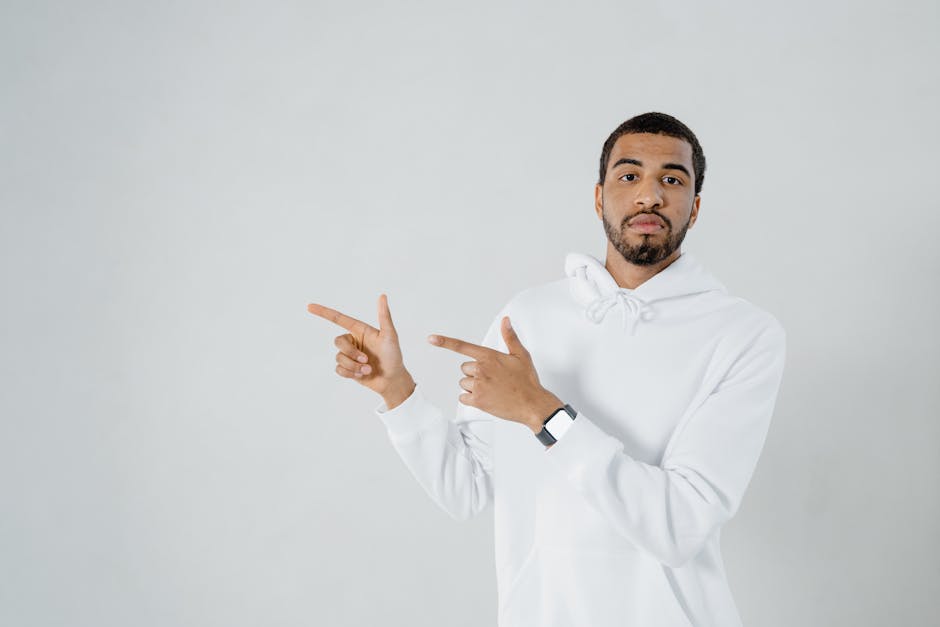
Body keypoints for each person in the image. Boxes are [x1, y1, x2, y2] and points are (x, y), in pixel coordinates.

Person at [307, 112, 787, 627]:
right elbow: (467, 490)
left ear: (694, 208)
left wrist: (541, 411)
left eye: (672, 179)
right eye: (629, 176)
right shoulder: (529, 316)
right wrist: (397, 392)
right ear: (599, 197)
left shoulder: (742, 334)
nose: (649, 195)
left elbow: (679, 525)